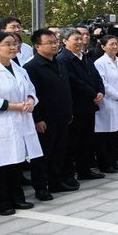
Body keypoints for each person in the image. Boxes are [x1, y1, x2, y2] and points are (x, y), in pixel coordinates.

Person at [0, 31, 42, 216]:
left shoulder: (20, 69)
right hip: (0, 124)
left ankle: (17, 197)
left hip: (21, 121)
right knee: (0, 164)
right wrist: (14, 106)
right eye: (7, 44)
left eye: (14, 44)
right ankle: (1, 202)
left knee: (16, 162)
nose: (13, 47)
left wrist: (30, 100)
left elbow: (31, 89)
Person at [25, 29, 75, 200]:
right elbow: (32, 95)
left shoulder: (59, 63)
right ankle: (40, 187)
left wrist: (69, 112)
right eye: (49, 43)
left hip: (62, 116)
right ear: (37, 46)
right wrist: (37, 119)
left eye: (55, 42)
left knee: (59, 151)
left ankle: (55, 181)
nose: (54, 45)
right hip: (45, 119)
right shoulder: (31, 67)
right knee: (42, 155)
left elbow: (66, 89)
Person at [57, 28, 105, 184]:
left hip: (90, 105)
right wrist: (93, 94)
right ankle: (69, 175)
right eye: (75, 39)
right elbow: (74, 82)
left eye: (80, 38)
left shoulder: (85, 57)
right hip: (76, 106)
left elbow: (97, 77)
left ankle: (85, 170)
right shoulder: (62, 59)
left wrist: (100, 92)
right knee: (72, 143)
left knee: (86, 141)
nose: (79, 41)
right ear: (64, 41)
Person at [93, 35, 118, 174]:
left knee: (115, 134)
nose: (115, 46)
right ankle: (105, 164)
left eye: (116, 44)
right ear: (103, 47)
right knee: (105, 135)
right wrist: (117, 95)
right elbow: (103, 83)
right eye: (111, 44)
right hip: (107, 102)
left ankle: (113, 161)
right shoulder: (99, 63)